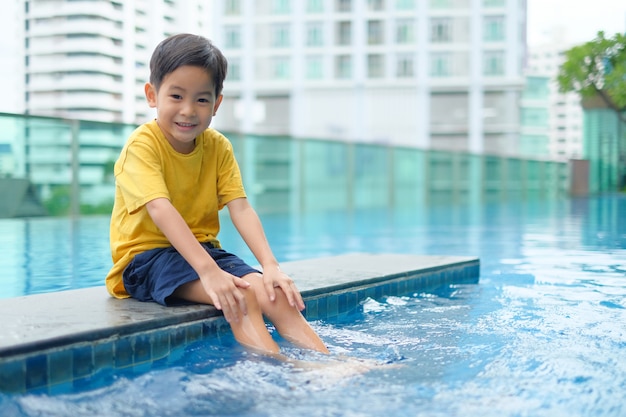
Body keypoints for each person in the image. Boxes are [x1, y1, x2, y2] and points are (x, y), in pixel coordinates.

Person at [105, 33, 329, 356]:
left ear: (217, 103)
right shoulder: (142, 146)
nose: (188, 111)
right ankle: (280, 372)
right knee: (242, 297)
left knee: (273, 294)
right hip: (145, 261)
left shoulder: (218, 147)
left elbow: (240, 207)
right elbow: (159, 208)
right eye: (176, 96)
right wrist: (209, 273)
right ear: (152, 95)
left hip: (203, 251)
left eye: (201, 99)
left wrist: (271, 266)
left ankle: (330, 364)